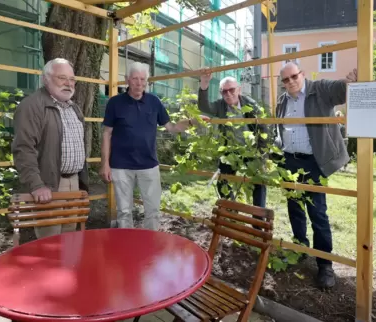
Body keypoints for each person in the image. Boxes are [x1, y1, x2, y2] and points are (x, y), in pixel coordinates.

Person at [274, 62, 356, 289]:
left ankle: (325, 265)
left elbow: (340, 89)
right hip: (289, 161)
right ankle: (300, 248)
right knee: (295, 208)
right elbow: (281, 129)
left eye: (293, 76)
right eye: (285, 79)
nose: (290, 82)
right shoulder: (282, 100)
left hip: (313, 163)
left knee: (317, 213)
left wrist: (349, 81)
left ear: (302, 74)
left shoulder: (319, 89)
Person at [100, 62, 209, 230]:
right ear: (127, 80)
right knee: (124, 211)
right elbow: (107, 133)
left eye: (142, 79)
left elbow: (171, 128)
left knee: (153, 211)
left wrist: (192, 121)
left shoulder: (154, 101)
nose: (139, 83)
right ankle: (125, 247)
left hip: (149, 165)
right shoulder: (115, 103)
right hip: (120, 166)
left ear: (147, 81)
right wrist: (105, 164)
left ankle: (152, 249)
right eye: (135, 79)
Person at [12, 58, 89, 239]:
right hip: (49, 185)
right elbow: (23, 149)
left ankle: (67, 268)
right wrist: (37, 185)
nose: (68, 84)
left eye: (72, 79)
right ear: (46, 79)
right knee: (50, 240)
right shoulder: (32, 106)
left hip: (74, 182)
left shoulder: (74, 108)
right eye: (62, 78)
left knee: (70, 236)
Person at [198, 70, 269, 210]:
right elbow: (204, 107)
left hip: (251, 150)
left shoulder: (251, 105)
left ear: (239, 89)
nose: (228, 94)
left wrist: (262, 156)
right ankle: (232, 213)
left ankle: (258, 220)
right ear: (221, 93)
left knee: (259, 182)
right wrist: (204, 84)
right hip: (231, 151)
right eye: (224, 91)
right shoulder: (221, 105)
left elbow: (264, 130)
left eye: (231, 90)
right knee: (222, 182)